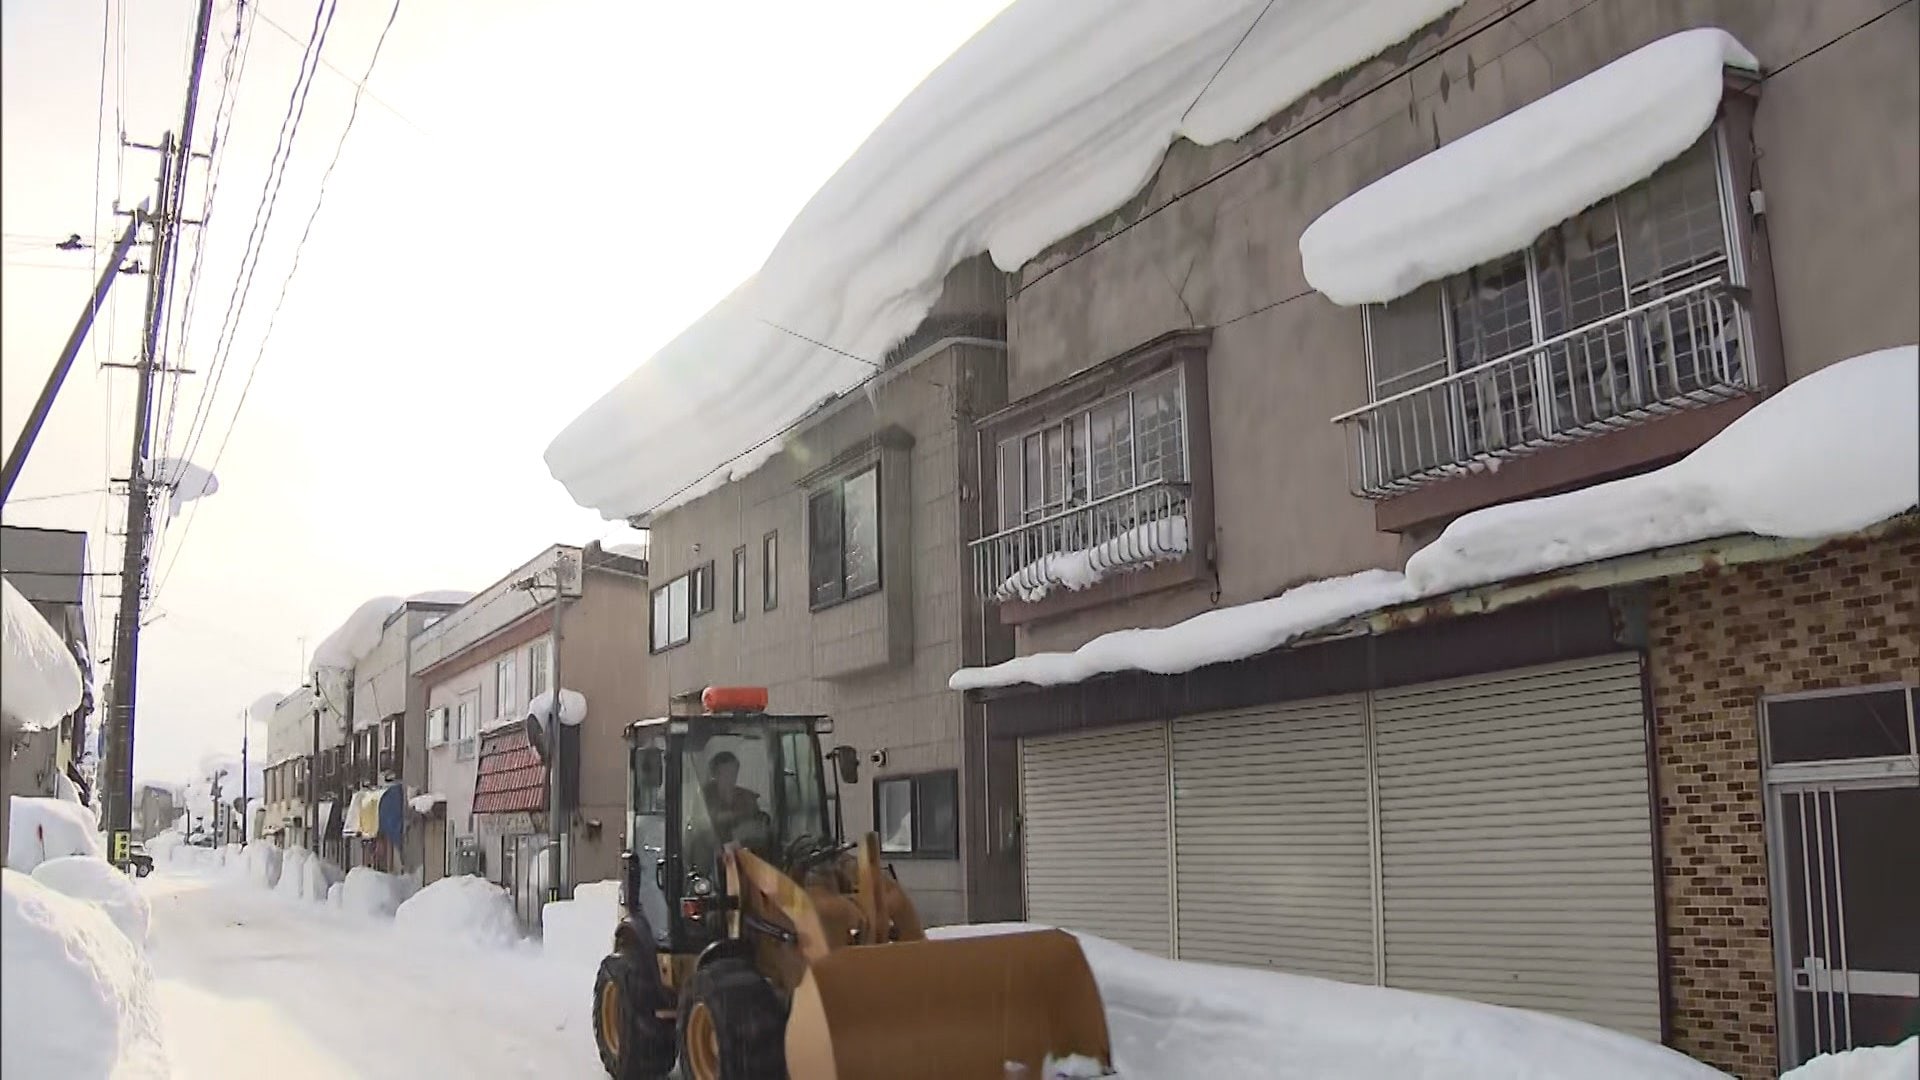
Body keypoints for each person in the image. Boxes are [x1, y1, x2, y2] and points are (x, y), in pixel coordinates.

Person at [700, 751, 763, 842]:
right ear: (715, 774)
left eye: (733, 772)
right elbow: (701, 824)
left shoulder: (748, 797)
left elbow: (758, 825)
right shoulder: (704, 797)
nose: (730, 777)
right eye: (725, 772)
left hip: (744, 849)